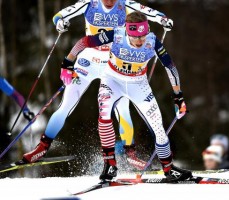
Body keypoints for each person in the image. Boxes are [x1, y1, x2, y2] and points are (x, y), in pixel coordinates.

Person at [20, 0, 173, 166]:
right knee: (66, 104)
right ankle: (42, 147)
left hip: (114, 64)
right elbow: (60, 15)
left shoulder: (125, 4)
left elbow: (151, 13)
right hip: (88, 61)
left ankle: (130, 153)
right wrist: (60, 23)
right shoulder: (89, 3)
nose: (109, 2)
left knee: (123, 110)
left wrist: (163, 19)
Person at [58, 11, 191, 181]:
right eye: (135, 37)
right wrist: (68, 61)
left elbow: (170, 68)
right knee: (104, 114)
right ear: (127, 31)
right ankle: (110, 165)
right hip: (113, 81)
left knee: (157, 125)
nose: (139, 41)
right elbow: (84, 42)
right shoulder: (117, 35)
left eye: (142, 36)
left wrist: (178, 97)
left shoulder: (153, 41)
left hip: (138, 84)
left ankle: (168, 168)